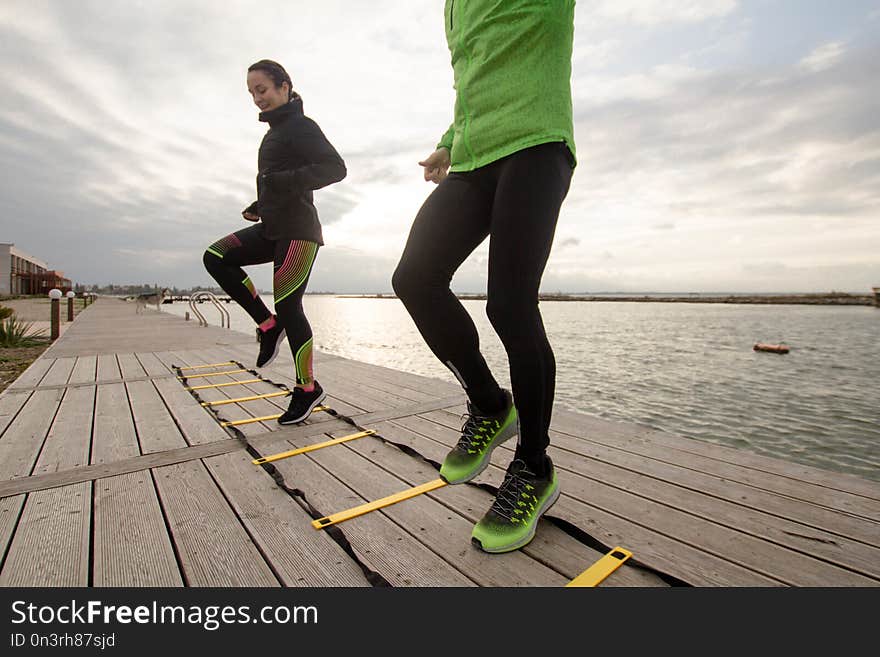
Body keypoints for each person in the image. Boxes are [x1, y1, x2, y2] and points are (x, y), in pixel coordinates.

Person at [392, 1, 577, 553]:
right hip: (474, 155)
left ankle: (534, 466)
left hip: (536, 143)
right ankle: (491, 404)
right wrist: (451, 139)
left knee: (510, 306)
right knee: (415, 278)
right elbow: (476, 75)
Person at [203, 59, 345, 425]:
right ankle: (267, 325)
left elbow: (334, 168)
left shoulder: (301, 126)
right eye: (251, 92)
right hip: (272, 227)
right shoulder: (274, 133)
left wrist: (282, 185)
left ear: (284, 86)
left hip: (298, 232)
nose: (256, 98)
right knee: (216, 256)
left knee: (290, 306)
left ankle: (307, 388)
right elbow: (277, 179)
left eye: (262, 89)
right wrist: (261, 203)